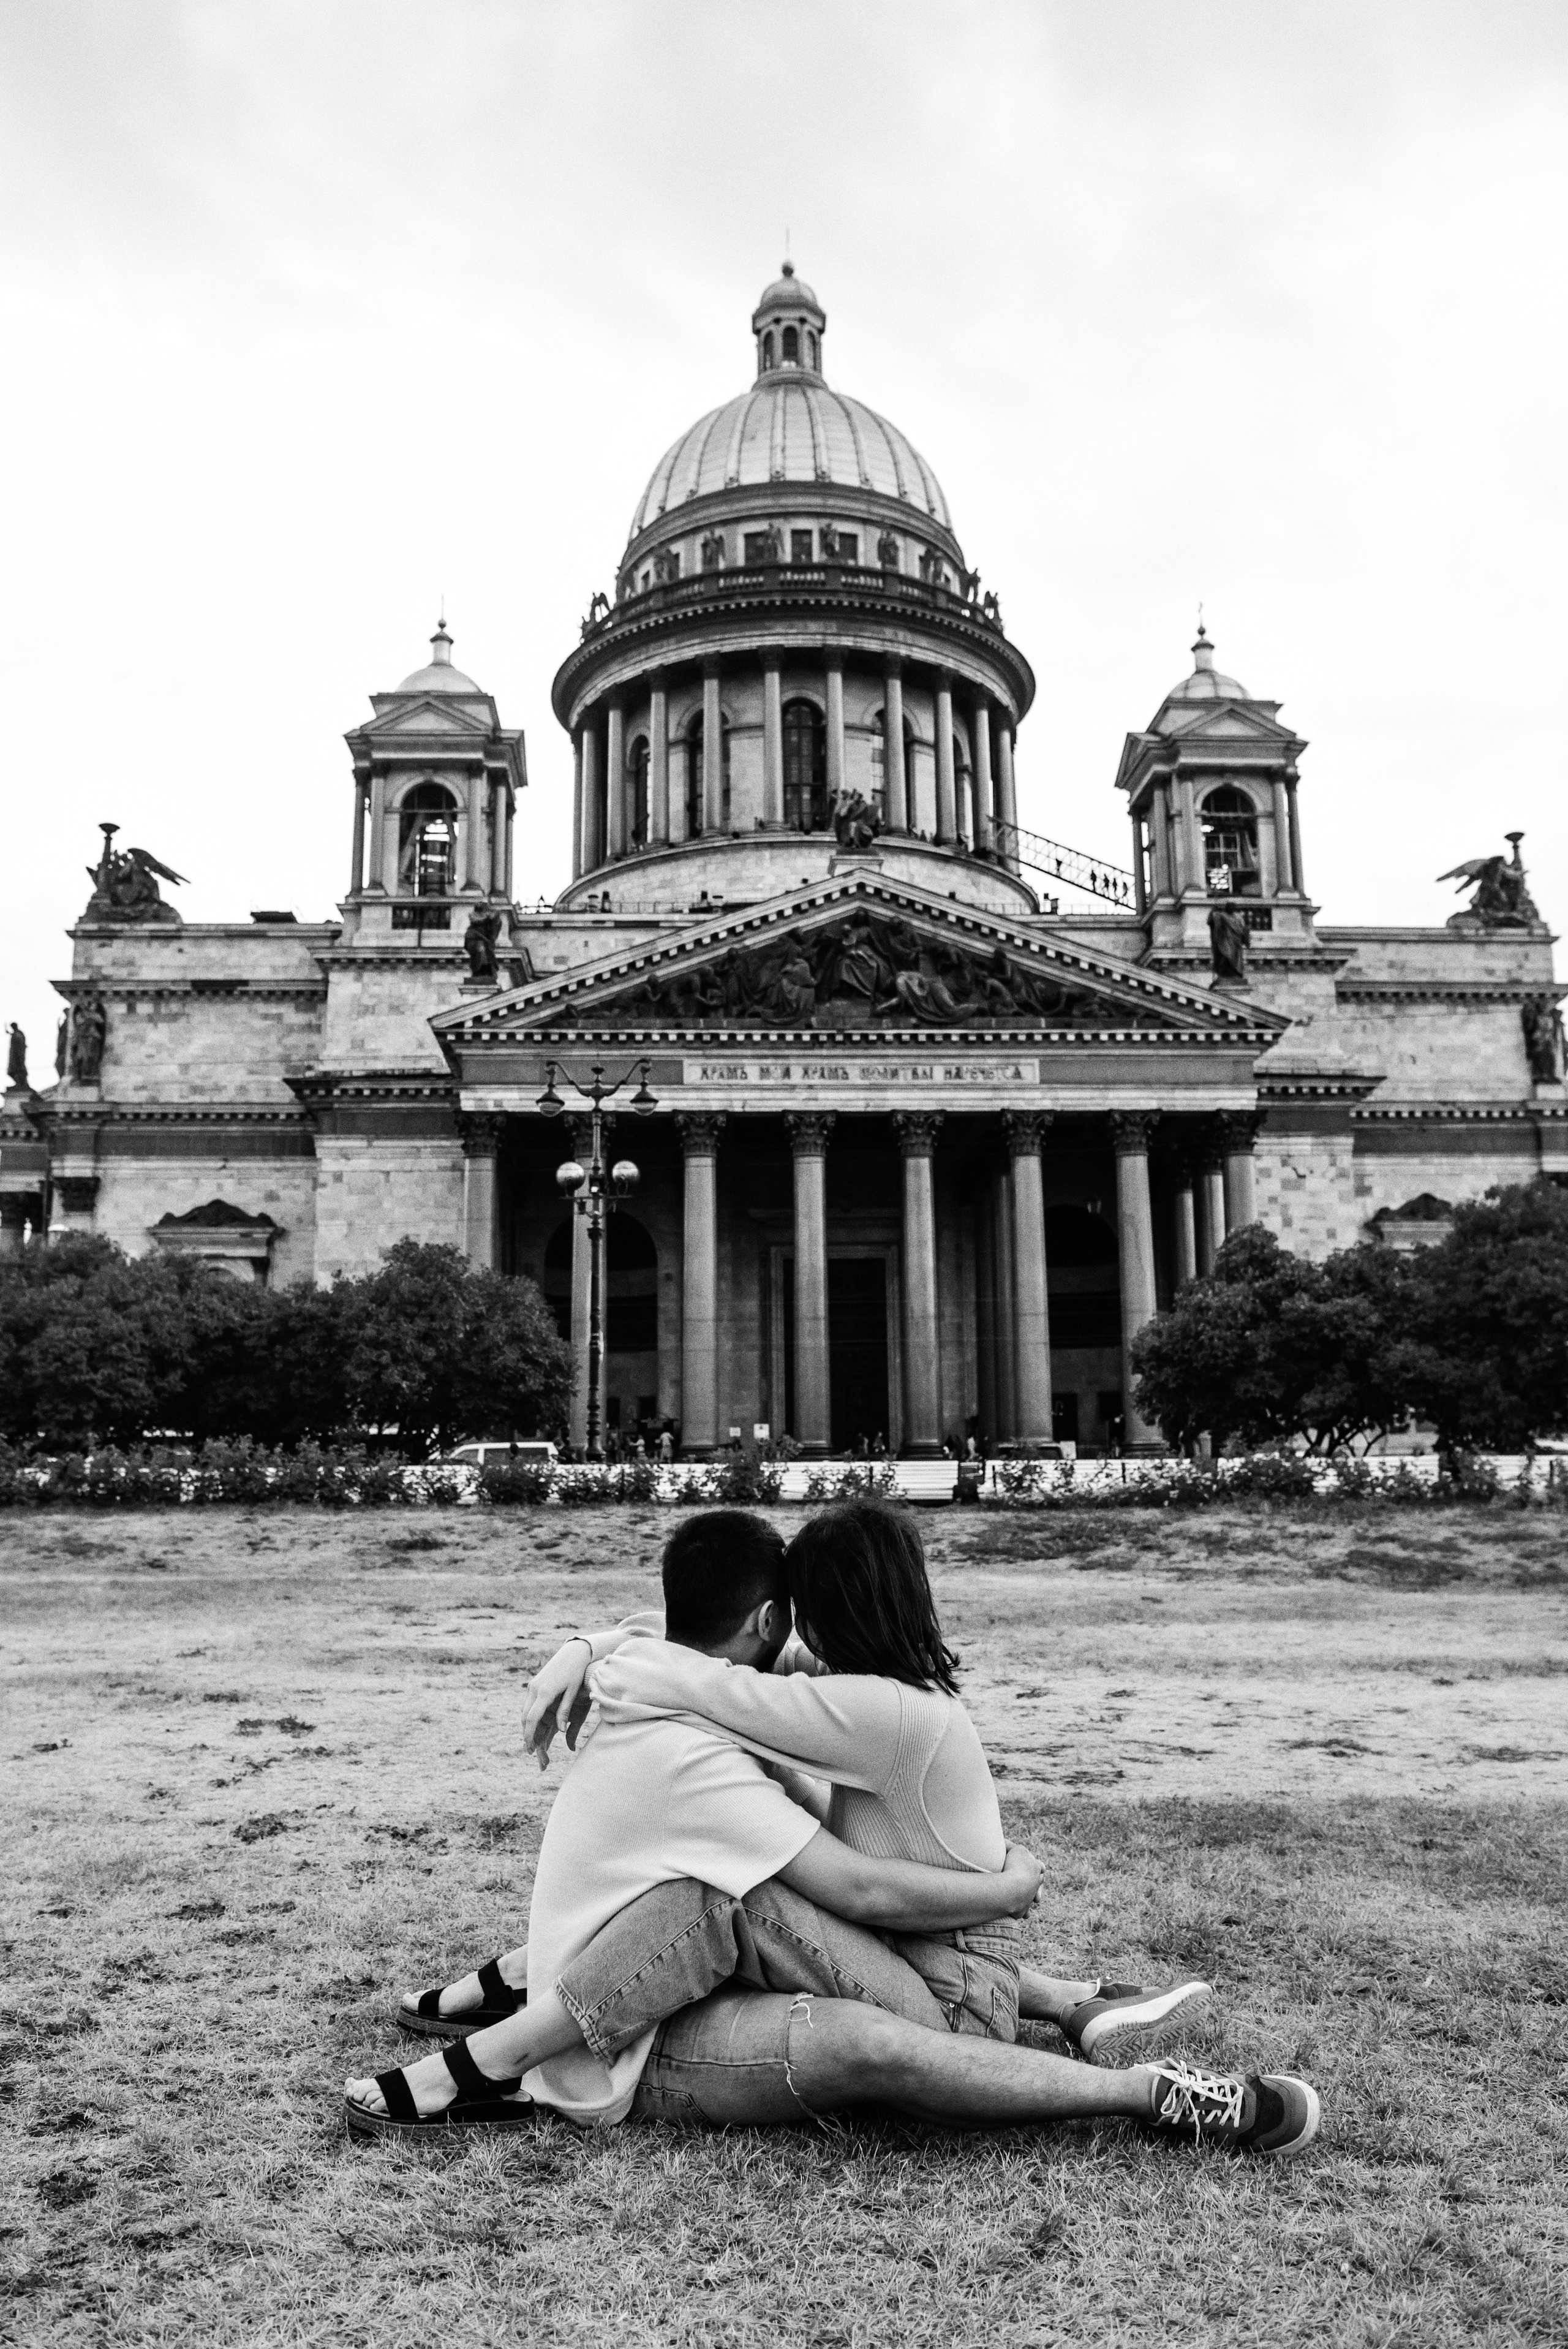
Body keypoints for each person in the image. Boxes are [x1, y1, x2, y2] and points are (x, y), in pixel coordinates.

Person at [346, 1510, 1317, 2154]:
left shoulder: (867, 1708)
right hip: (919, 1958)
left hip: (944, 1985)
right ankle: (510, 2017)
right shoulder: (845, 1681)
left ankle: (1150, 2091)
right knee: (709, 1886)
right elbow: (692, 1653)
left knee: (723, 1888)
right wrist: (593, 1643)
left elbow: (690, 1676)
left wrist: (598, 1652)